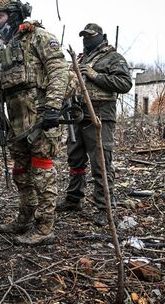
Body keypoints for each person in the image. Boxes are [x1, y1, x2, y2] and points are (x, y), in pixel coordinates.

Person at [0, 0, 70, 245]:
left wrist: (53, 107)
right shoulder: (4, 50)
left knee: (42, 174)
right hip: (16, 123)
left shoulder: (40, 38)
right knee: (21, 172)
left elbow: (59, 71)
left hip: (41, 119)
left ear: (13, 15)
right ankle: (25, 217)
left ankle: (45, 227)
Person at [56, 23, 132, 226]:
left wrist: (94, 75)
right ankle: (74, 199)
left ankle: (104, 208)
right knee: (75, 159)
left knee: (101, 163)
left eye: (90, 36)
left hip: (100, 117)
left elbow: (125, 84)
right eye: (84, 37)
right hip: (77, 116)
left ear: (102, 37)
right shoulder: (80, 58)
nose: (86, 40)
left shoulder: (113, 58)